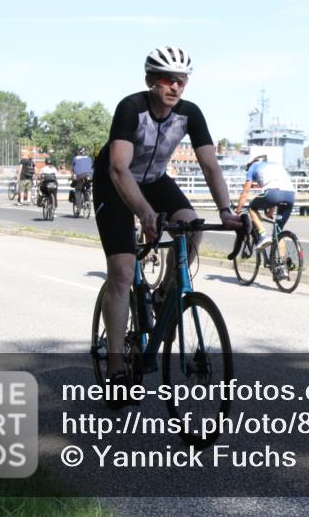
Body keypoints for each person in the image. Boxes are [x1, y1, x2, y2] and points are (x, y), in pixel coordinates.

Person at [94, 45, 241, 398]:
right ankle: (115, 365)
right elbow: (119, 167)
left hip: (155, 179)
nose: (175, 86)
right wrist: (145, 214)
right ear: (151, 80)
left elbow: (210, 166)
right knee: (123, 273)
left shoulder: (190, 114)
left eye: (182, 80)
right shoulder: (131, 108)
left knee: (192, 224)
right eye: (167, 79)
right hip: (115, 181)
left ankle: (164, 293)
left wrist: (226, 211)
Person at [235, 155, 296, 276]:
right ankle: (282, 267)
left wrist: (237, 210)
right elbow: (277, 189)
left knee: (252, 208)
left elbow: (245, 193)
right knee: (278, 232)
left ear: (249, 165)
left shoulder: (253, 167)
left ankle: (263, 235)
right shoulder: (274, 165)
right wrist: (270, 212)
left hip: (274, 193)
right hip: (290, 195)